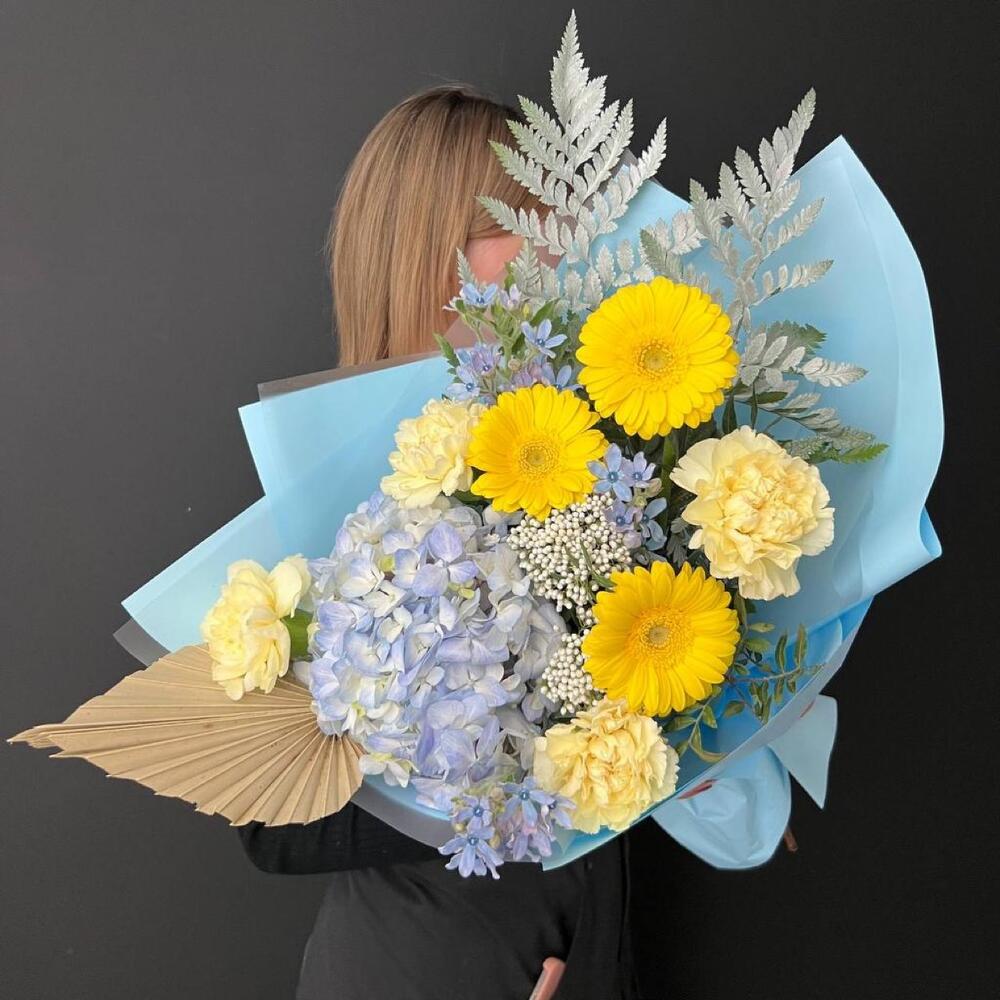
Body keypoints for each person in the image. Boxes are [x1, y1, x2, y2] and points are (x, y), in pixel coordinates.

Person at [238, 86, 638, 1000]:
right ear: (427, 252)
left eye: (556, 217)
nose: (554, 246)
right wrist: (511, 764)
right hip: (425, 970)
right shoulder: (342, 484)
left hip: (588, 948)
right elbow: (272, 823)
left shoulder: (577, 447)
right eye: (518, 221)